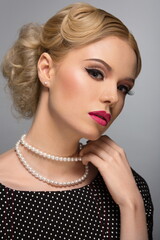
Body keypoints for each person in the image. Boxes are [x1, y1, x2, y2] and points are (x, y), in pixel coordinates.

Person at [0, 2, 153, 239]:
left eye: (123, 87)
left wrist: (132, 205)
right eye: (95, 73)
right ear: (46, 70)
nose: (112, 97)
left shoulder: (130, 189)